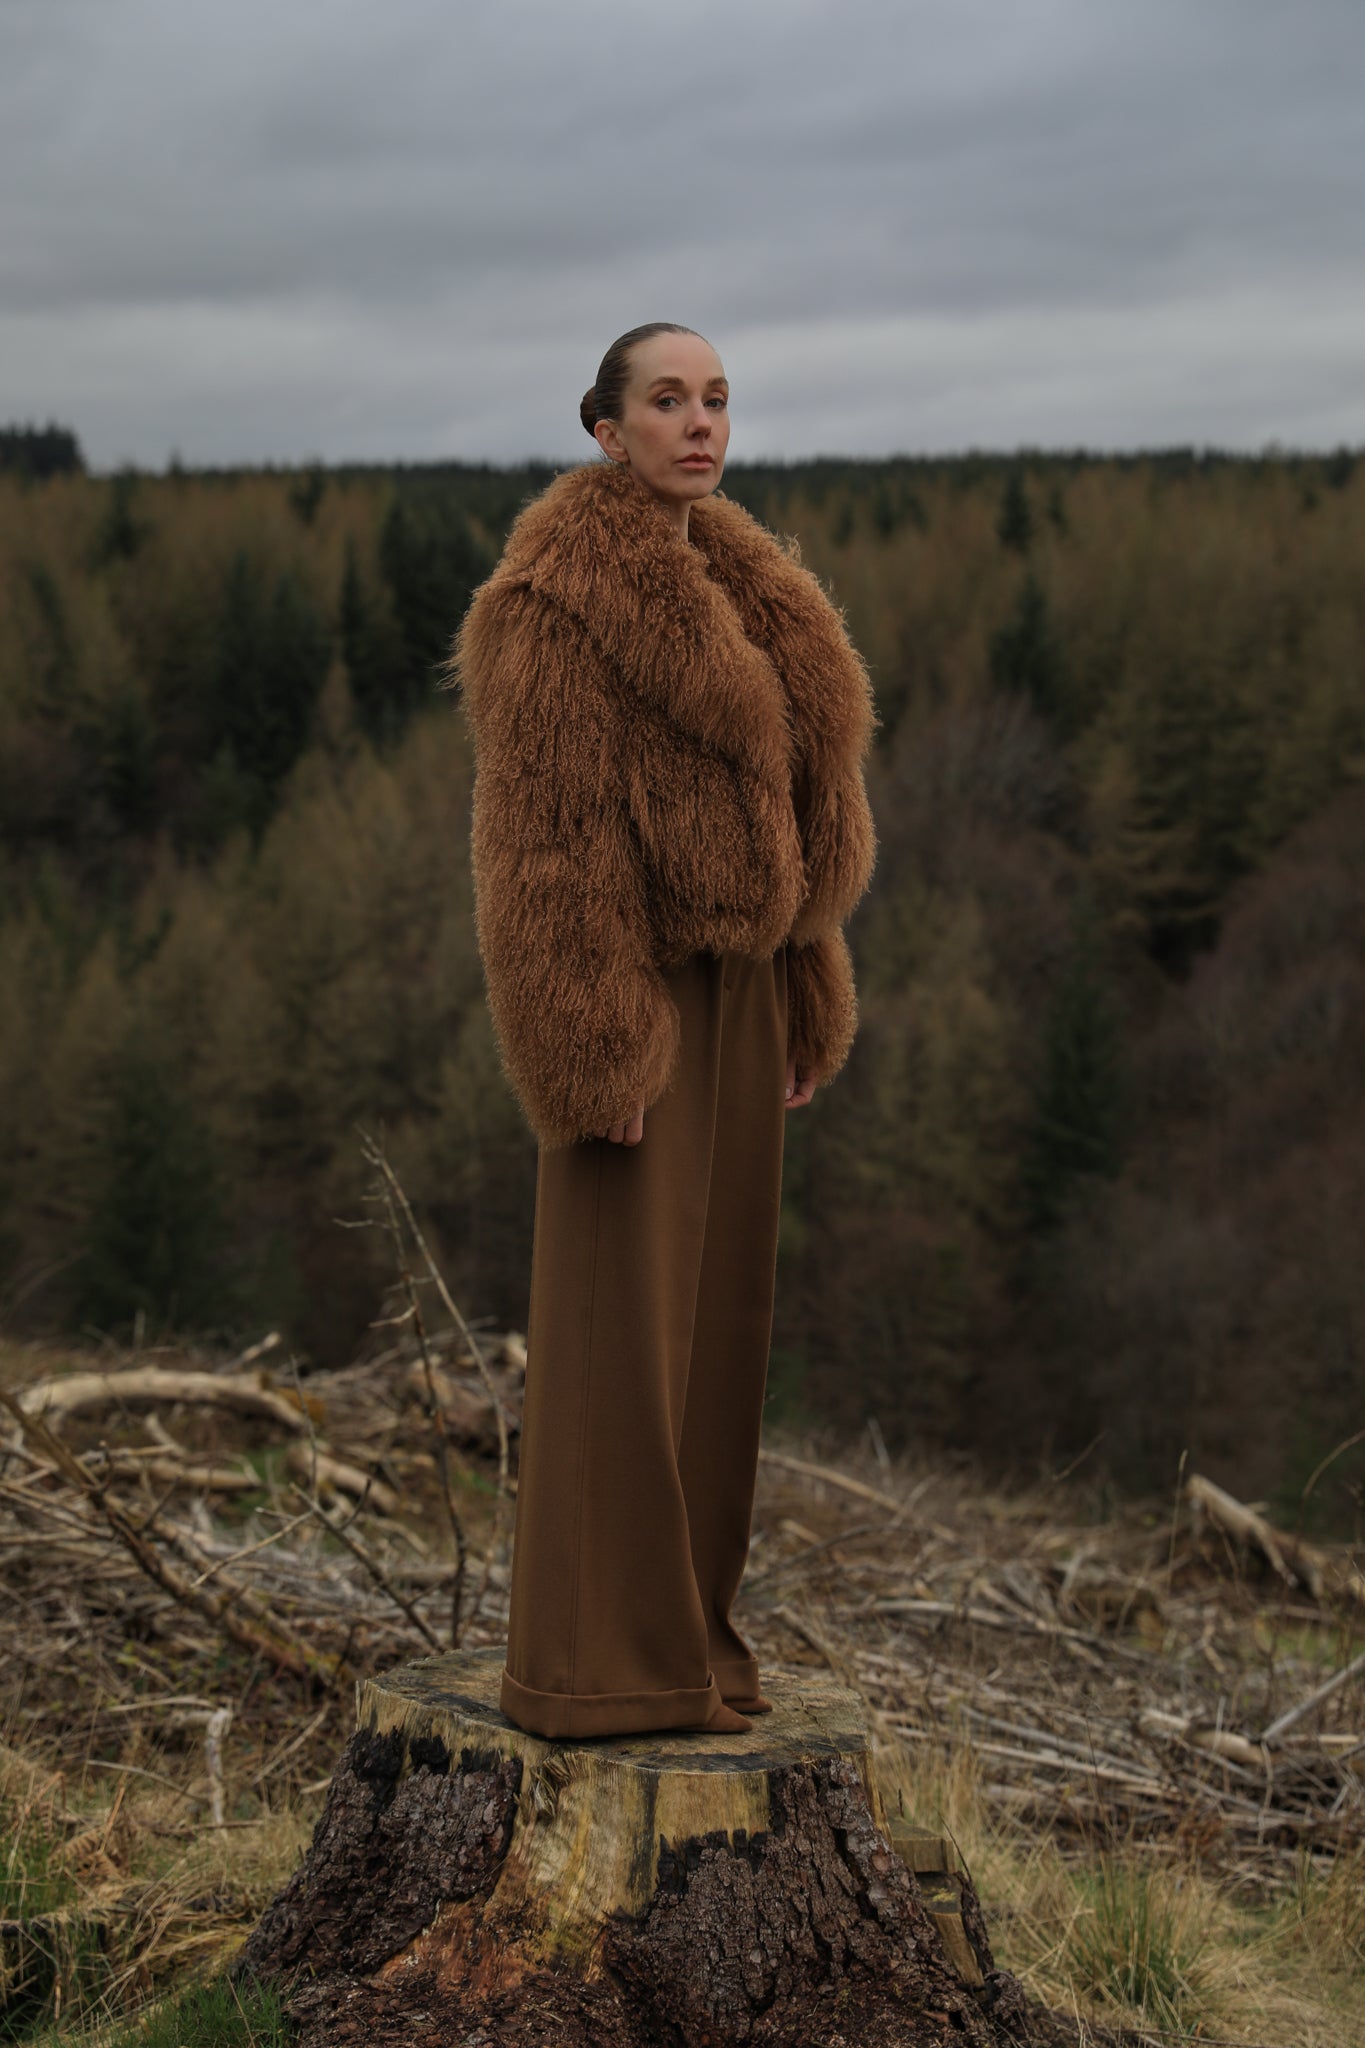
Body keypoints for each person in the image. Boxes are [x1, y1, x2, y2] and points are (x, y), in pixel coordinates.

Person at [448, 321, 878, 1740]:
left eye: (715, 401)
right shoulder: (549, 606)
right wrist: (588, 1044)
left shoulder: (754, 592)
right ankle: (590, 1670)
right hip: (633, 1000)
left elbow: (801, 813)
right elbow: (545, 847)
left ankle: (683, 1648)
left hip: (748, 993)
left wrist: (810, 984)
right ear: (603, 427)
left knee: (717, 1335)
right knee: (615, 1338)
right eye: (665, 401)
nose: (697, 425)